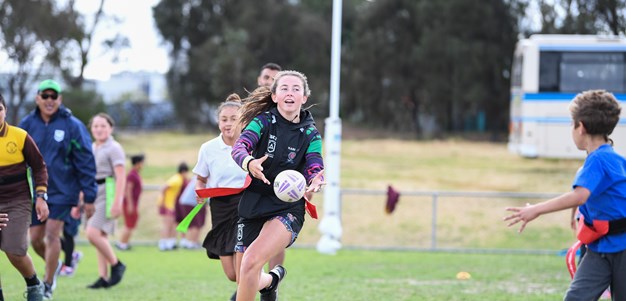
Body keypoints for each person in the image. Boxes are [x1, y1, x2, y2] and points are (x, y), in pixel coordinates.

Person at [504, 90, 626, 300]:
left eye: (572, 124)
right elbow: (585, 192)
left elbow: (580, 195)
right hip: (599, 248)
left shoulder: (600, 160)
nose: (571, 129)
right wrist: (576, 215)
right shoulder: (603, 158)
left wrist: (536, 210)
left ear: (581, 127)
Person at [231, 70, 325, 301]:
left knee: (251, 262)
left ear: (304, 98)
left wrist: (316, 179)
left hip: (287, 208)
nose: (290, 93)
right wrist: (249, 162)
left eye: (296, 89)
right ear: (274, 96)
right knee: (244, 274)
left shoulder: (311, 134)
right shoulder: (262, 122)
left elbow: (315, 165)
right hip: (254, 202)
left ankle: (268, 281)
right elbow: (239, 147)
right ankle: (271, 281)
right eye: (284, 88)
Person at [19, 79, 98, 299]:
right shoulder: (27, 124)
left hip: (64, 191)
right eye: (45, 96)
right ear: (37, 98)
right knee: (34, 239)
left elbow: (85, 161)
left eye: (54, 96)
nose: (49, 100)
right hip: (35, 193)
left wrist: (89, 196)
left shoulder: (72, 125)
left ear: (60, 99)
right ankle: (57, 265)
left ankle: (47, 284)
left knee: (52, 235)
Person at [192, 93, 247, 301]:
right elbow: (201, 179)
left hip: (246, 207)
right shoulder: (208, 148)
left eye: (234, 119)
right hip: (220, 208)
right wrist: (199, 192)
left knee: (243, 271)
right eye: (224, 119)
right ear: (218, 121)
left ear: (243, 121)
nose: (228, 123)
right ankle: (268, 281)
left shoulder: (252, 144)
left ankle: (244, 295)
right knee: (232, 274)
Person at [0, 93, 49, 301]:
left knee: (15, 250)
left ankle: (34, 285)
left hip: (17, 202)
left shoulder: (20, 136)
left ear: (5, 110)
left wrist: (40, 196)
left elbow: (39, 167)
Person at [85, 113, 127, 289]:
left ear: (111, 128)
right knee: (100, 236)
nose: (99, 129)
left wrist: (117, 202)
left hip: (107, 190)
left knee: (92, 233)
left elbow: (121, 176)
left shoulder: (114, 147)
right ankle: (103, 277)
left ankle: (117, 265)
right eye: (96, 126)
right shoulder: (92, 147)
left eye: (103, 126)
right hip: (93, 192)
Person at [116, 154, 145, 251]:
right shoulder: (132, 175)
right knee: (128, 224)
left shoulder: (135, 174)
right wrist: (130, 204)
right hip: (130, 203)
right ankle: (122, 244)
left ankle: (125, 243)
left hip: (133, 203)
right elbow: (128, 189)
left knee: (131, 223)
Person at [158, 162, 189, 251]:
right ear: (183, 171)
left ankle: (168, 244)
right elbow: (164, 187)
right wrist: (163, 201)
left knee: (171, 225)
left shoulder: (178, 179)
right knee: (167, 226)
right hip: (168, 205)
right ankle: (162, 244)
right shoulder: (177, 179)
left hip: (171, 205)